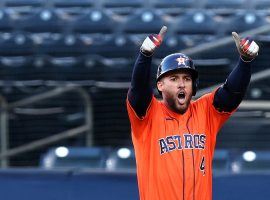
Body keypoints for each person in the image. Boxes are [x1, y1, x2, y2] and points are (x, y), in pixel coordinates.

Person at [126, 26, 259, 200]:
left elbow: (232, 92)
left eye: (187, 79)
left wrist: (245, 62)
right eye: (174, 79)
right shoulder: (148, 115)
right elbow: (138, 89)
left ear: (193, 86)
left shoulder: (206, 111)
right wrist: (144, 56)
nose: (181, 84)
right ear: (160, 85)